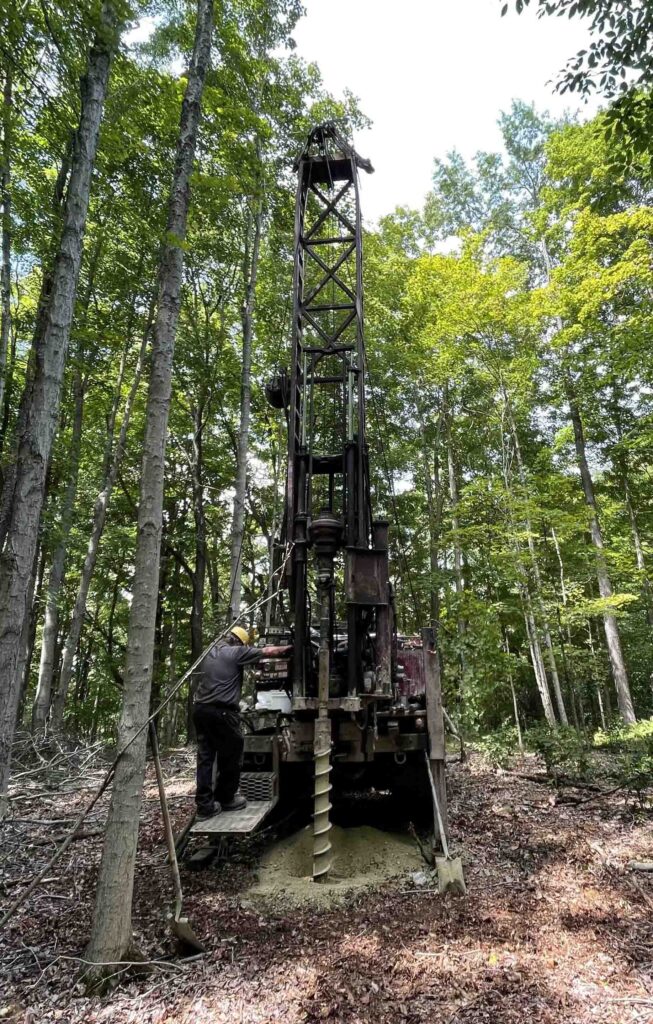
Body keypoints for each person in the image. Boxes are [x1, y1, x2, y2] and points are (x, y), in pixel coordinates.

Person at [193, 626, 291, 819]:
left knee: (206, 756)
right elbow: (268, 652)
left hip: (200, 709)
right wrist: (290, 648)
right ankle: (227, 798)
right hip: (221, 712)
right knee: (234, 749)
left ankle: (204, 807)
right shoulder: (236, 652)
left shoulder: (209, 652)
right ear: (239, 642)